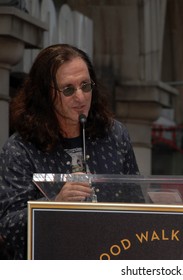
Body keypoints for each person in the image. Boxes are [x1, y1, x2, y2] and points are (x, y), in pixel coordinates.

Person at [0, 44, 144, 260]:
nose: (81, 97)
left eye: (86, 86)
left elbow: (136, 204)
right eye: (68, 90)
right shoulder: (20, 148)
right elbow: (8, 227)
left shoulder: (114, 135)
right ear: (44, 95)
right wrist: (54, 206)